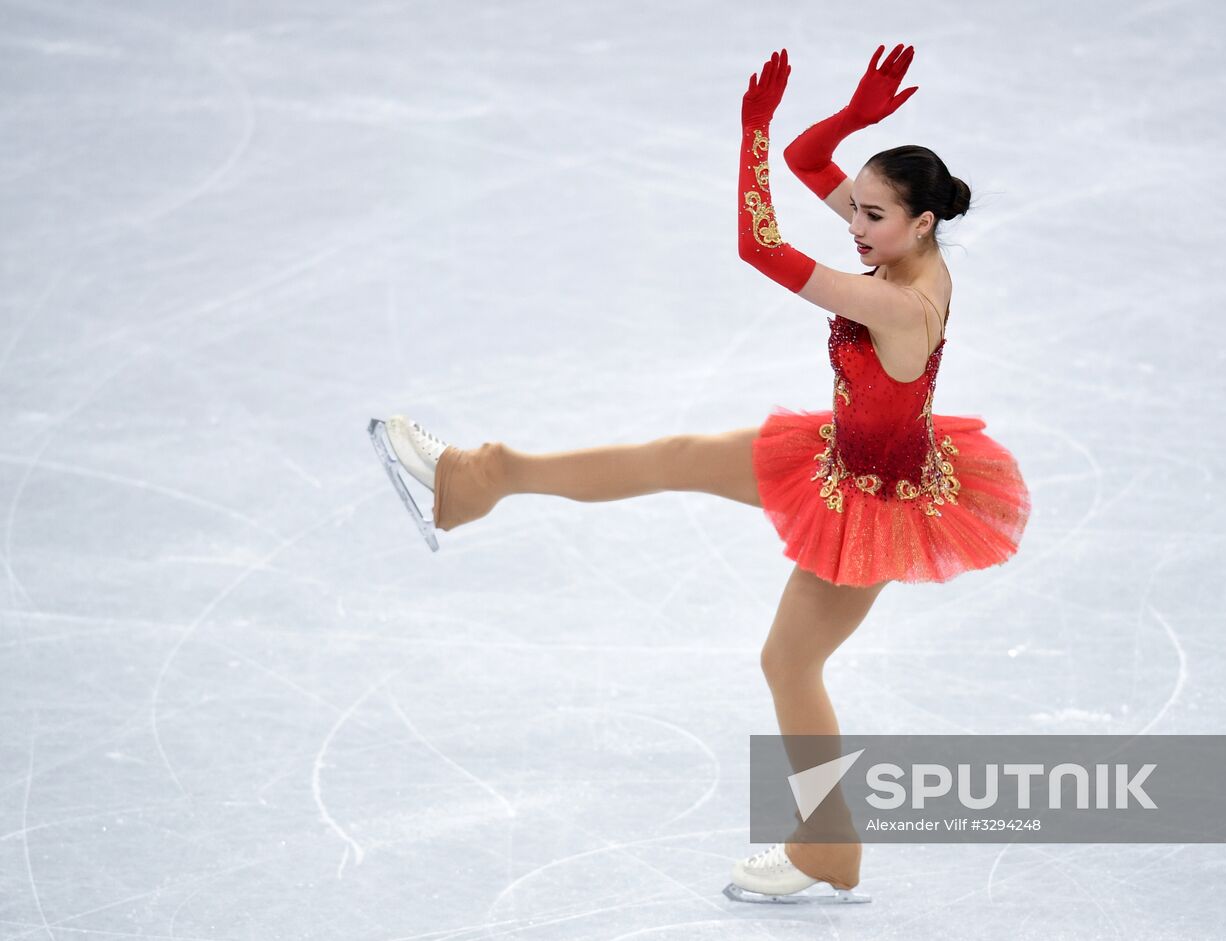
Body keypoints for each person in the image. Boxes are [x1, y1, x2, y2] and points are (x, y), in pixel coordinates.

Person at [367, 42, 1030, 905]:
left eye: (871, 216)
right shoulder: (903, 253)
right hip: (840, 457)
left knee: (789, 665)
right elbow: (808, 161)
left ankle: (829, 846)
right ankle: (475, 476)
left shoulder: (895, 300)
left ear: (920, 223)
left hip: (872, 502)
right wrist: (851, 121)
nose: (854, 227)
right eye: (855, 210)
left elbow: (762, 246)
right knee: (677, 457)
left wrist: (752, 130)